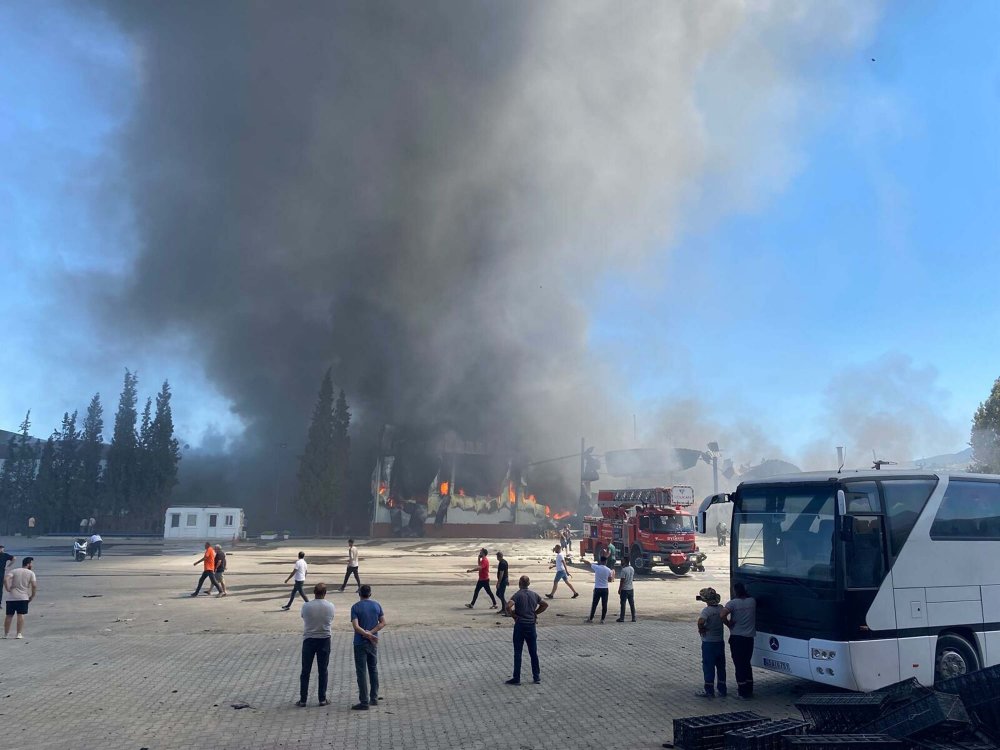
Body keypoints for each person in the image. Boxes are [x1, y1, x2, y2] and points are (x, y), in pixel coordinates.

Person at [297, 582, 334, 707]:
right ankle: (322, 699)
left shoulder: (306, 606)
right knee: (323, 670)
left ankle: (303, 699)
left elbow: (303, 617)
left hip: (309, 639)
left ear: (314, 592)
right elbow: (331, 618)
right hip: (324, 639)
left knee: (305, 670)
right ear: (325, 593)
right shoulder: (330, 606)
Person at [505, 575, 547, 685]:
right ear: (529, 584)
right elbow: (545, 604)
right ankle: (536, 676)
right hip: (531, 626)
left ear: (519, 583)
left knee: (518, 652)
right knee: (533, 652)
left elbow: (508, 606)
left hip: (520, 626)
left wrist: (514, 616)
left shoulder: (517, 595)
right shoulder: (534, 595)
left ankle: (517, 677)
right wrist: (535, 613)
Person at [350, 584, 386, 710]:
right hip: (373, 642)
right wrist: (371, 633)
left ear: (359, 594)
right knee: (373, 669)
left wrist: (365, 634)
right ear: (370, 594)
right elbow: (383, 622)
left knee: (361, 672)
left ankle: (364, 701)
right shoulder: (376, 605)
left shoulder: (355, 607)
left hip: (360, 642)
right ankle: (374, 698)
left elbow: (356, 626)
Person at [722, 582, 756, 698]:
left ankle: (742, 692)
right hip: (749, 638)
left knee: (739, 664)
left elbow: (722, 615)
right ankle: (749, 689)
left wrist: (728, 624)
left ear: (735, 591)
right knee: (747, 663)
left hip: (737, 638)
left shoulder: (732, 604)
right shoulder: (752, 601)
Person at [696, 587, 727, 697]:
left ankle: (709, 690)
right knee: (721, 666)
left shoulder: (707, 611)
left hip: (708, 642)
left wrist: (701, 629)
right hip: (719, 641)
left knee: (708, 666)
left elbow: (701, 621)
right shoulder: (720, 608)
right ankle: (722, 689)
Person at [4, 557, 37, 639]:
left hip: (11, 597)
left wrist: (7, 588)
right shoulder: (31, 573)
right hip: (23, 597)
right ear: (28, 564)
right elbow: (34, 585)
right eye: (31, 563)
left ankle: (6, 634)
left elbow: (6, 579)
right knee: (20, 615)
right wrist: (32, 596)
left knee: (9, 615)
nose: (32, 565)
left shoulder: (14, 571)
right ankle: (19, 634)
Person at [586, 555, 614, 623]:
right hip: (605, 589)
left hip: (597, 588)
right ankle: (602, 619)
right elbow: (610, 580)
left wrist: (583, 560)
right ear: (606, 561)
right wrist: (612, 573)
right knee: (604, 604)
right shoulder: (608, 570)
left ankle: (591, 618)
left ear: (600, 561)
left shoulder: (597, 567)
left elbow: (589, 563)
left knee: (594, 604)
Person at [615, 555, 636, 622]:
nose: (621, 562)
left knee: (623, 604)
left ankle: (622, 618)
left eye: (622, 561)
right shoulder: (632, 568)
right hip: (631, 588)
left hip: (624, 589)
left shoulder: (623, 570)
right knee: (631, 604)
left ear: (625, 562)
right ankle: (633, 617)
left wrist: (619, 589)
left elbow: (622, 581)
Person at [496, 551, 510, 616]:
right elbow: (507, 572)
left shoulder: (502, 563)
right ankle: (504, 607)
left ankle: (506, 607)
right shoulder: (504, 561)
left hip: (502, 581)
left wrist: (498, 583)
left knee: (501, 594)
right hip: (505, 580)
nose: (496, 557)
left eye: (497, 556)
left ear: (499, 556)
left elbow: (501, 574)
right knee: (499, 594)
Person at [0, 545, 14, 610]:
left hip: (1, 574)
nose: (2, 550)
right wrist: (8, 566)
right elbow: (14, 558)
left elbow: (14, 558)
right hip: (1, 574)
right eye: (2, 549)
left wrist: (8, 566)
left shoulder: (5, 555)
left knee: (0, 590)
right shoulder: (4, 555)